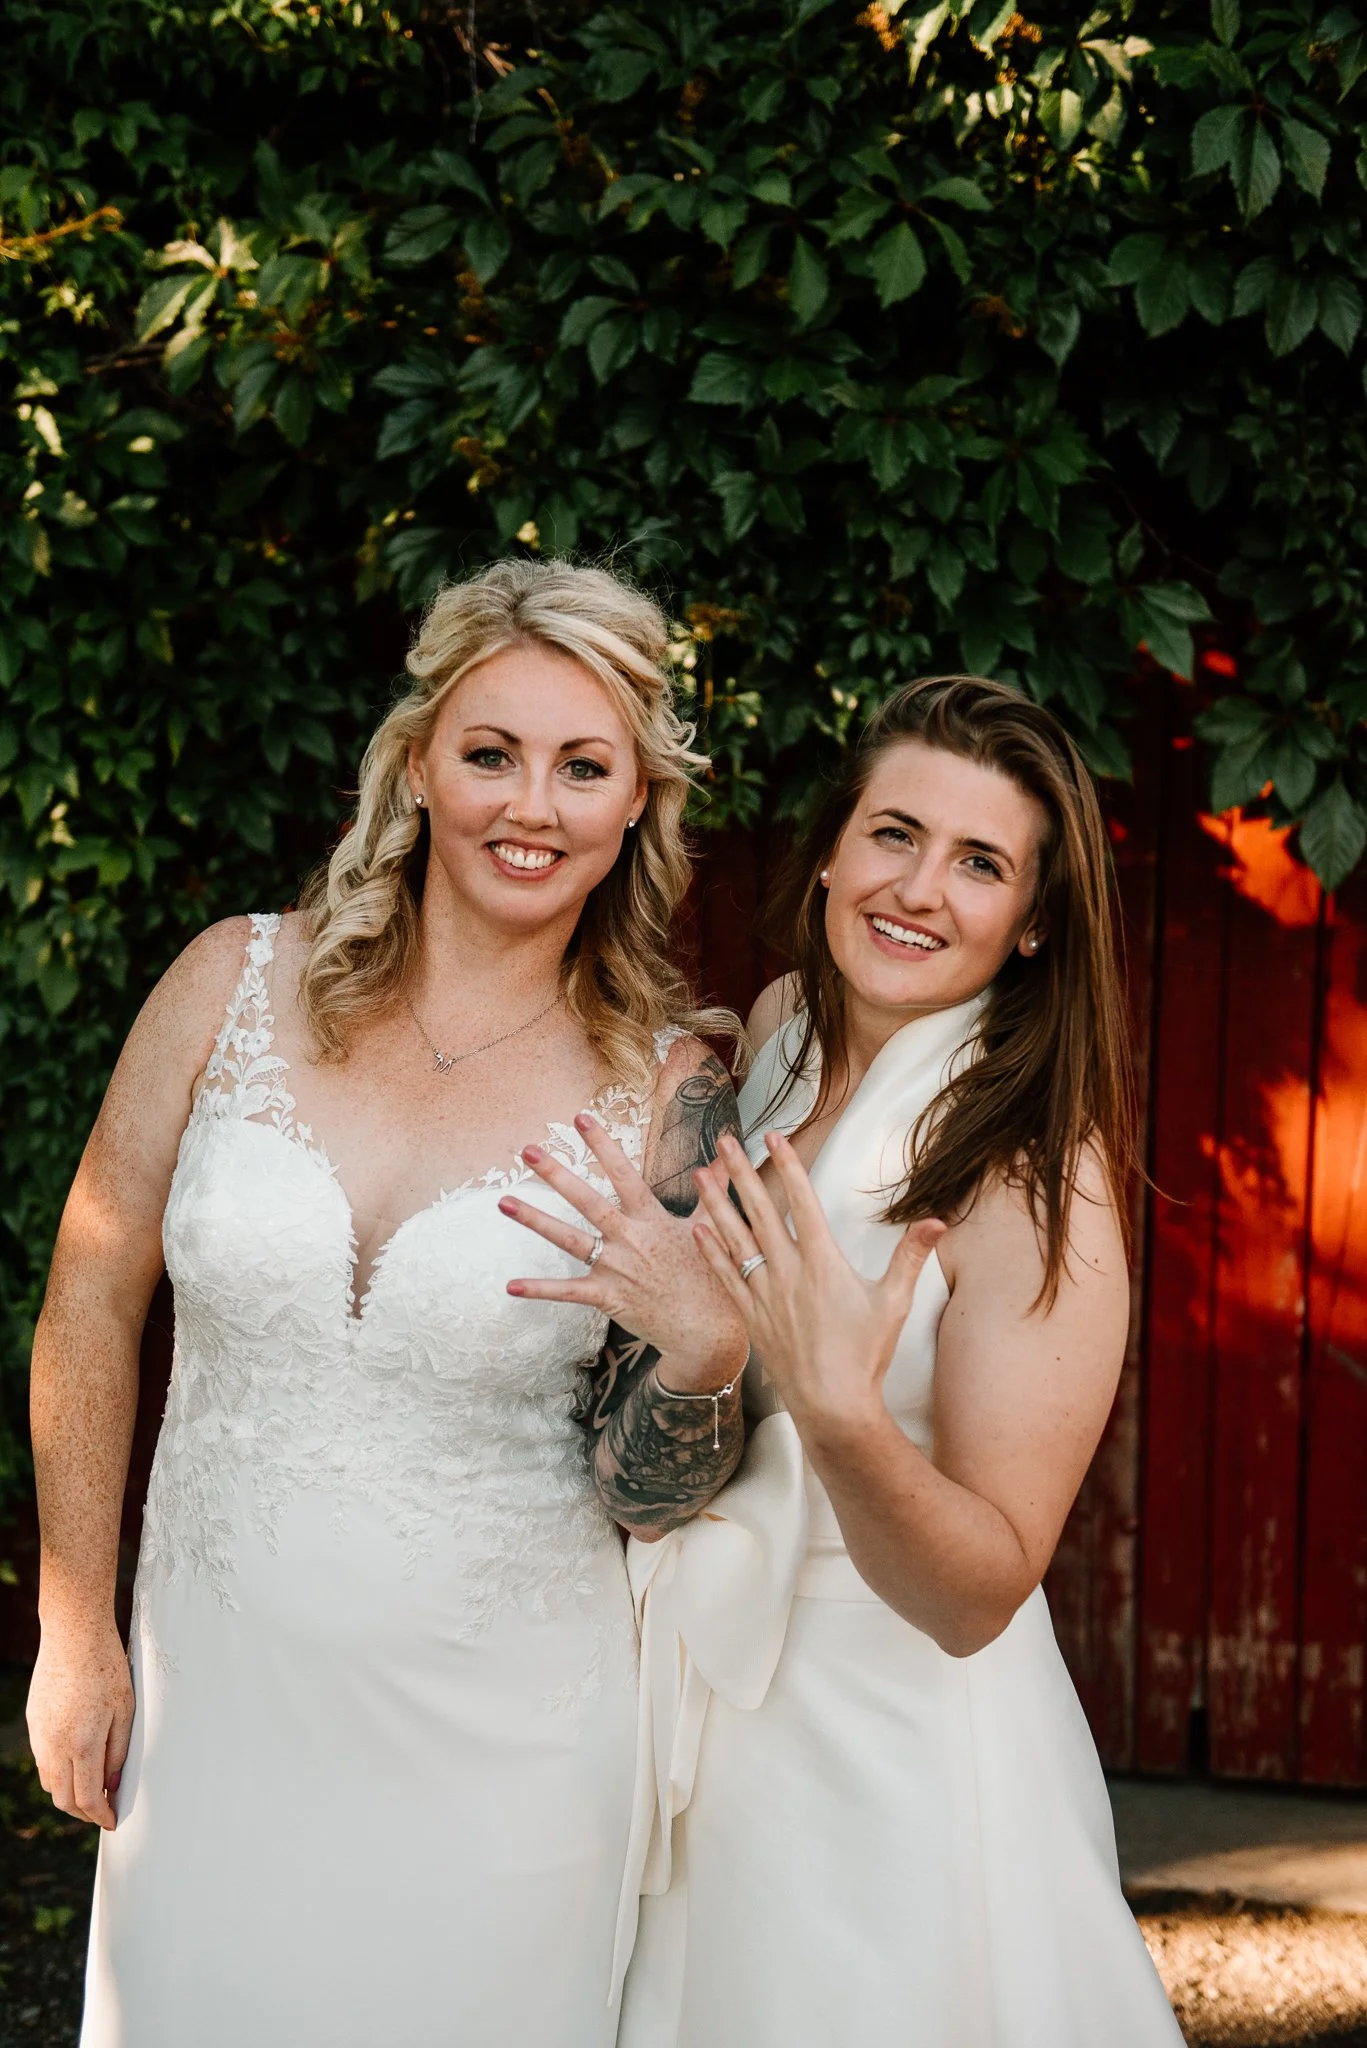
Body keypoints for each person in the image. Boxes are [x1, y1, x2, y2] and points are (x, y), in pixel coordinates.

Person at [25, 558, 748, 2048]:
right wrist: (75, 1626)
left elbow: (652, 1490)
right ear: (418, 764)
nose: (530, 806)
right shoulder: (228, 982)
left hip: (509, 1762)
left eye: (583, 766)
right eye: (491, 753)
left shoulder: (670, 1095)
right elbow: (91, 1291)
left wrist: (705, 1351)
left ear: (636, 804)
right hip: (213, 1719)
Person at [506, 674, 1184, 2045]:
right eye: (895, 834)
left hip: (886, 1748)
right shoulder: (776, 1035)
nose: (918, 890)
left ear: (1033, 922)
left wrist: (844, 1418)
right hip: (709, 1707)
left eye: (979, 863)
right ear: (829, 850)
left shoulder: (1031, 1180)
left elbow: (979, 1594)